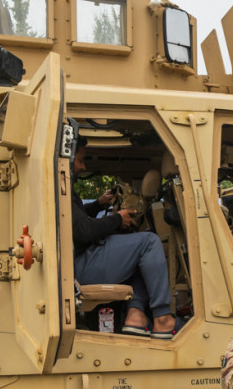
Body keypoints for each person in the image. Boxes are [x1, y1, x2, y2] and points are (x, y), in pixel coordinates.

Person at [71, 138, 179, 338]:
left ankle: (135, 317)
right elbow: (82, 230)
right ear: (67, 159)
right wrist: (116, 220)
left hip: (78, 263)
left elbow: (74, 218)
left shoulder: (62, 189)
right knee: (149, 242)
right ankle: (163, 317)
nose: (83, 166)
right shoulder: (60, 186)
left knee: (138, 256)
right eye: (80, 160)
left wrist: (98, 204)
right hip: (78, 267)